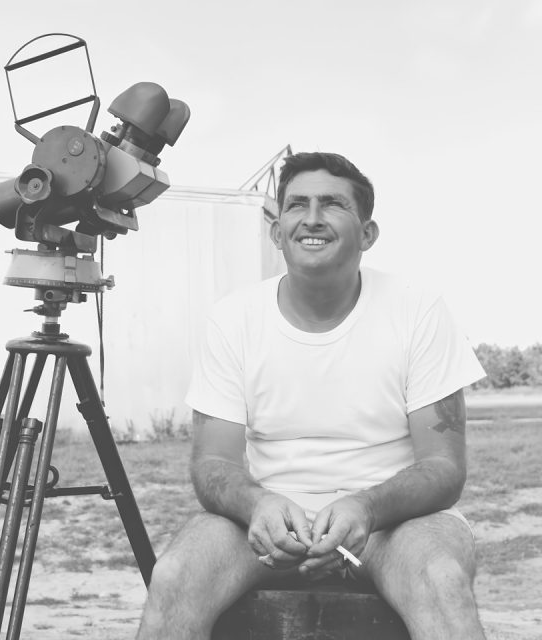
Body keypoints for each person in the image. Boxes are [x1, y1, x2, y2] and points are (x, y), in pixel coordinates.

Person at [135, 152, 487, 640]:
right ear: (277, 232)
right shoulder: (234, 318)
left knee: (442, 580)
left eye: (333, 204)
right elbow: (212, 463)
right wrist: (257, 504)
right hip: (264, 522)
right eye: (297, 204)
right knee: (173, 577)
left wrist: (365, 507)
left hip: (392, 524)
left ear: (367, 234)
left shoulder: (418, 309)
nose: (313, 218)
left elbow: (445, 469)